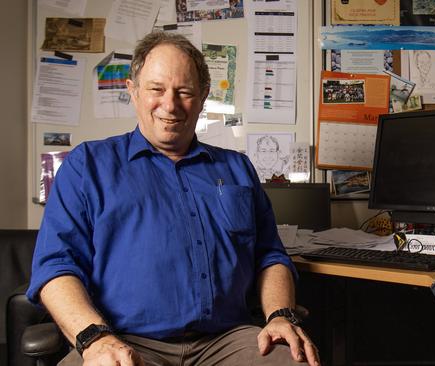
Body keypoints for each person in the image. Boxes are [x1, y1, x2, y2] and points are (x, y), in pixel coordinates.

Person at [27, 32, 319, 366]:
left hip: (228, 340)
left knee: (295, 359)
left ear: (204, 96)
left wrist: (280, 315)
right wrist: (94, 338)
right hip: (123, 339)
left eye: (184, 92)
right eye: (156, 89)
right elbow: (55, 267)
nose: (170, 105)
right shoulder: (87, 165)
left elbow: (270, 255)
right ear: (132, 91)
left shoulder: (236, 167)